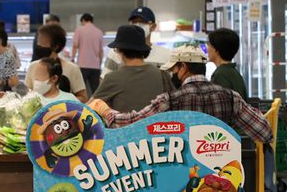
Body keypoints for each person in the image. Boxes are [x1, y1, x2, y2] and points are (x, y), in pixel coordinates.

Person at [89, 45, 272, 144]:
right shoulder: (232, 98)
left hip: (184, 179)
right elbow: (264, 132)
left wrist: (107, 112)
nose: (174, 75)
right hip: (224, 179)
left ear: (183, 68)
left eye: (175, 70)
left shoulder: (170, 100)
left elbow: (135, 122)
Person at [92, 25, 174, 112]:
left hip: (123, 121)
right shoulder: (162, 75)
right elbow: (174, 103)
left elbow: (91, 106)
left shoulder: (112, 78)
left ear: (119, 50)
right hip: (157, 121)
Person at [101, 6, 171, 80]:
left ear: (153, 26)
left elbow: (169, 82)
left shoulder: (166, 55)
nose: (137, 25)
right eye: (134, 22)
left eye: (142, 22)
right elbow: (105, 80)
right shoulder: (116, 52)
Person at [25, 24, 88, 103]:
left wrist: (61, 102)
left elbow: (83, 98)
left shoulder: (72, 68)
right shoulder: (33, 66)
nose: (39, 45)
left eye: (42, 42)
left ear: (55, 46)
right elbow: (28, 93)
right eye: (38, 42)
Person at [208, 28, 248, 101]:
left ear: (216, 49)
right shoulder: (235, 73)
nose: (207, 49)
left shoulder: (220, 75)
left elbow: (220, 104)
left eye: (209, 45)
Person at [72, 13, 104, 95]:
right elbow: (101, 51)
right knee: (96, 92)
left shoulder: (79, 30)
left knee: (79, 90)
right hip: (95, 66)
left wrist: (72, 59)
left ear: (83, 20)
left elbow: (75, 45)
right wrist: (99, 63)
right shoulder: (99, 32)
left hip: (82, 65)